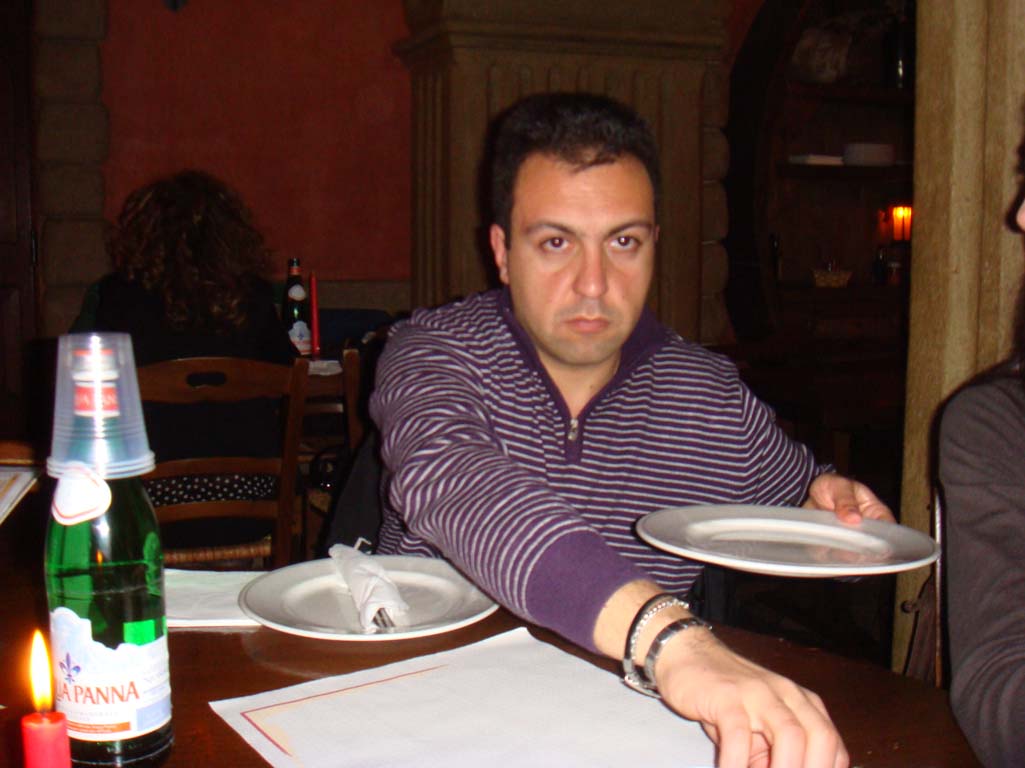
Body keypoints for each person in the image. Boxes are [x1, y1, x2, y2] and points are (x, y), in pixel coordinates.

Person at [370, 93, 893, 768]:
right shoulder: (432, 352)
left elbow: (803, 500)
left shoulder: (709, 397)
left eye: (623, 242)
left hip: (625, 737)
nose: (593, 284)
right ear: (501, 251)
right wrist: (671, 641)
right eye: (555, 243)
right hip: (419, 720)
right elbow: (451, 481)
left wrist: (837, 515)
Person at [76, 170, 295, 539]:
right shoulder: (253, 295)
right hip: (251, 499)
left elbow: (92, 389)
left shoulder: (118, 296)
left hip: (151, 501)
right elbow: (288, 369)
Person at [939, 230, 1025, 763]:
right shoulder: (998, 424)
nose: (1020, 214)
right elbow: (995, 692)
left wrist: (812, 488)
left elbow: (795, 480)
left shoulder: (710, 389)